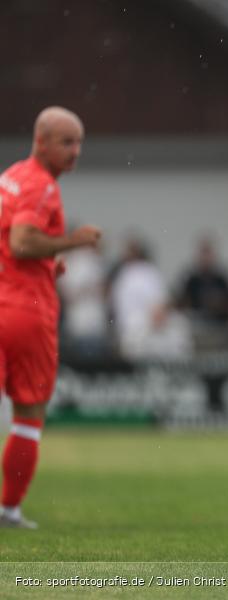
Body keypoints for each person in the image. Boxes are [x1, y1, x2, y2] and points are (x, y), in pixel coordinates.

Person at [0, 107, 102, 528]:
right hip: (26, 313)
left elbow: (11, 245)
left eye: (79, 142)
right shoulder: (42, 186)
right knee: (29, 415)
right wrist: (72, 243)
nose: (75, 151)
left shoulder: (11, 177)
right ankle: (9, 509)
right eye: (67, 142)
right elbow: (23, 242)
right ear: (40, 141)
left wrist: (48, 260)